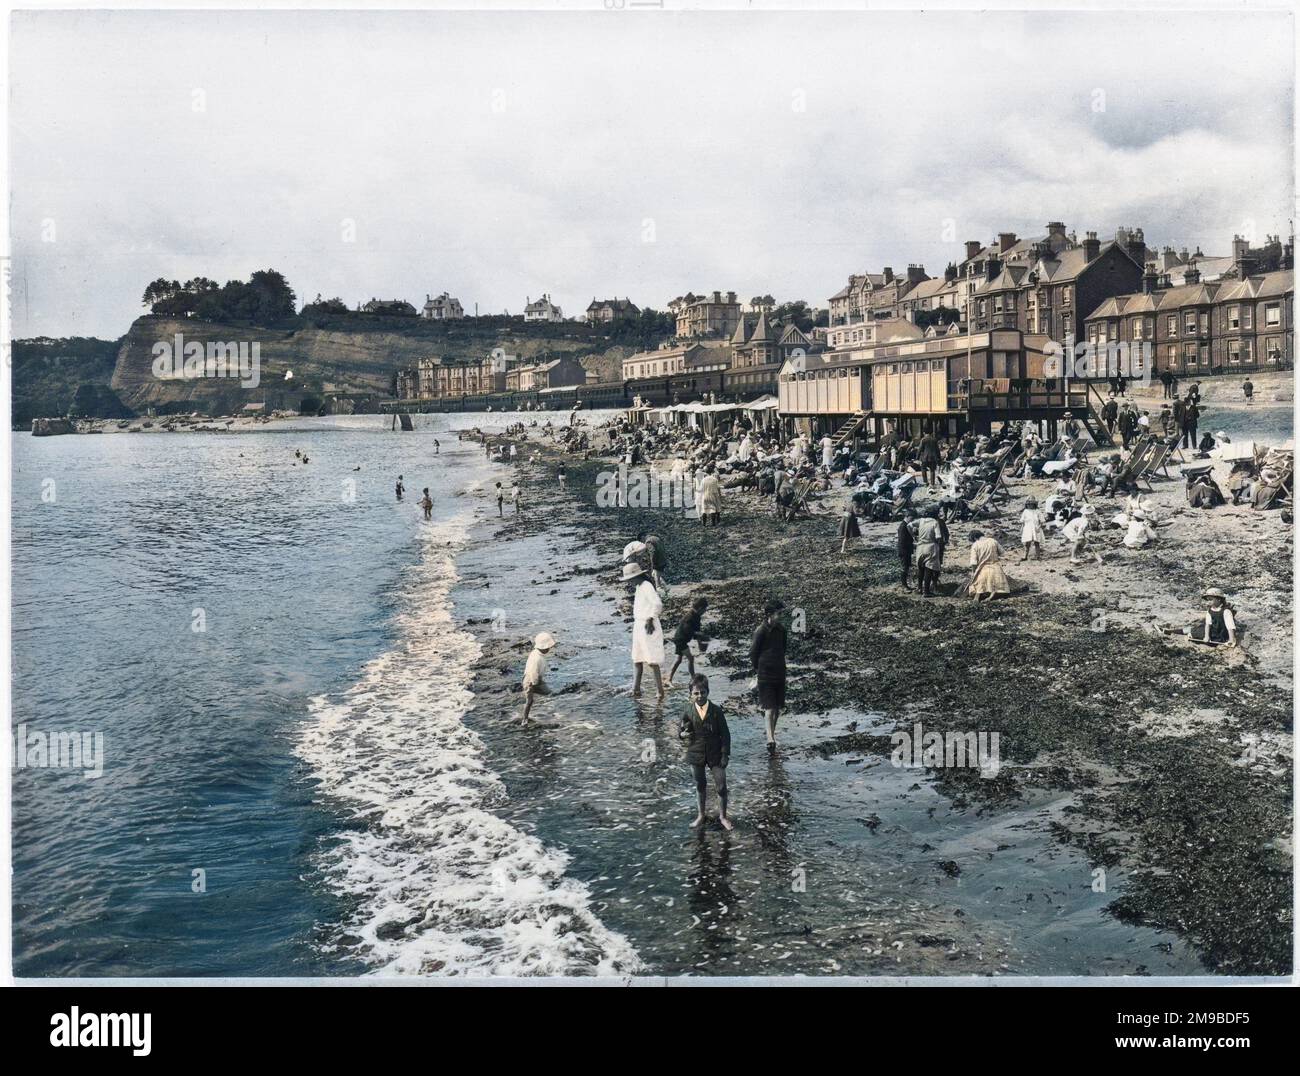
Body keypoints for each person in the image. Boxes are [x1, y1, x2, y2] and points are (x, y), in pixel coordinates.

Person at [678, 674, 732, 831]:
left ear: (708, 692)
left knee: (721, 785)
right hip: (695, 752)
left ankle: (723, 816)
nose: (699, 696)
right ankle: (701, 815)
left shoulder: (716, 711)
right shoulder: (688, 710)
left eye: (702, 692)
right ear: (691, 694)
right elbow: (680, 731)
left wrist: (725, 754)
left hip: (715, 754)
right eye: (696, 693)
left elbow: (726, 734)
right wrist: (682, 735)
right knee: (700, 785)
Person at [750, 598, 787, 755]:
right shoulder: (760, 631)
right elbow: (753, 653)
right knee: (769, 707)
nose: (781, 616)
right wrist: (758, 669)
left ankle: (772, 733)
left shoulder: (782, 630)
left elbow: (783, 649)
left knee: (777, 707)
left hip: (780, 672)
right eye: (779, 613)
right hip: (765, 674)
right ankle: (770, 739)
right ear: (769, 615)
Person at [627, 562, 665, 700]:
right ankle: (635, 688)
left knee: (652, 659)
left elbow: (658, 604)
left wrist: (650, 618)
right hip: (639, 625)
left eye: (630, 579)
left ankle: (660, 691)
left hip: (648, 625)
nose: (629, 582)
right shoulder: (639, 586)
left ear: (636, 576)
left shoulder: (647, 586)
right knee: (637, 658)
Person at [668, 596, 709, 685]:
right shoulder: (690, 617)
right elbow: (688, 630)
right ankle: (693, 679)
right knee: (690, 658)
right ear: (700, 608)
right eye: (705, 609)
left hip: (680, 639)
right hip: (680, 640)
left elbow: (697, 631)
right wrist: (698, 637)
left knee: (678, 659)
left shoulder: (696, 616)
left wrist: (699, 642)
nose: (705, 611)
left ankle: (669, 678)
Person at [911, 507, 949, 598]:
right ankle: (930, 588)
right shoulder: (938, 522)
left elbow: (911, 527)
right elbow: (944, 535)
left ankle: (920, 587)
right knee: (931, 568)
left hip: (920, 546)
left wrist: (914, 536)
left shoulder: (922, 521)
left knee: (921, 568)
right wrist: (942, 544)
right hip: (934, 547)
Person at [520, 631, 556, 724]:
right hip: (530, 682)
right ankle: (524, 720)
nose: (549, 649)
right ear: (543, 647)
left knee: (549, 693)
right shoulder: (536, 658)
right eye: (548, 647)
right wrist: (534, 684)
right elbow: (532, 672)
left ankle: (547, 710)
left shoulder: (538, 654)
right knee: (529, 701)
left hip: (537, 680)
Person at [967, 530, 1011, 601]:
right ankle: (992, 595)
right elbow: (1002, 553)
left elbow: (973, 562)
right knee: (996, 585)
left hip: (983, 568)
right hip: (996, 567)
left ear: (975, 538)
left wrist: (974, 572)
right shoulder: (992, 541)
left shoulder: (976, 545)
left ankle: (977, 596)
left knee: (978, 584)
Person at [896, 508, 917, 590]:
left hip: (905, 550)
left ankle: (905, 585)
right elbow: (903, 541)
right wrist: (913, 545)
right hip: (904, 550)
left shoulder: (905, 525)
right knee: (904, 568)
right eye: (912, 518)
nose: (912, 520)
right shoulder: (903, 526)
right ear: (907, 516)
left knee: (906, 567)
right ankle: (904, 586)